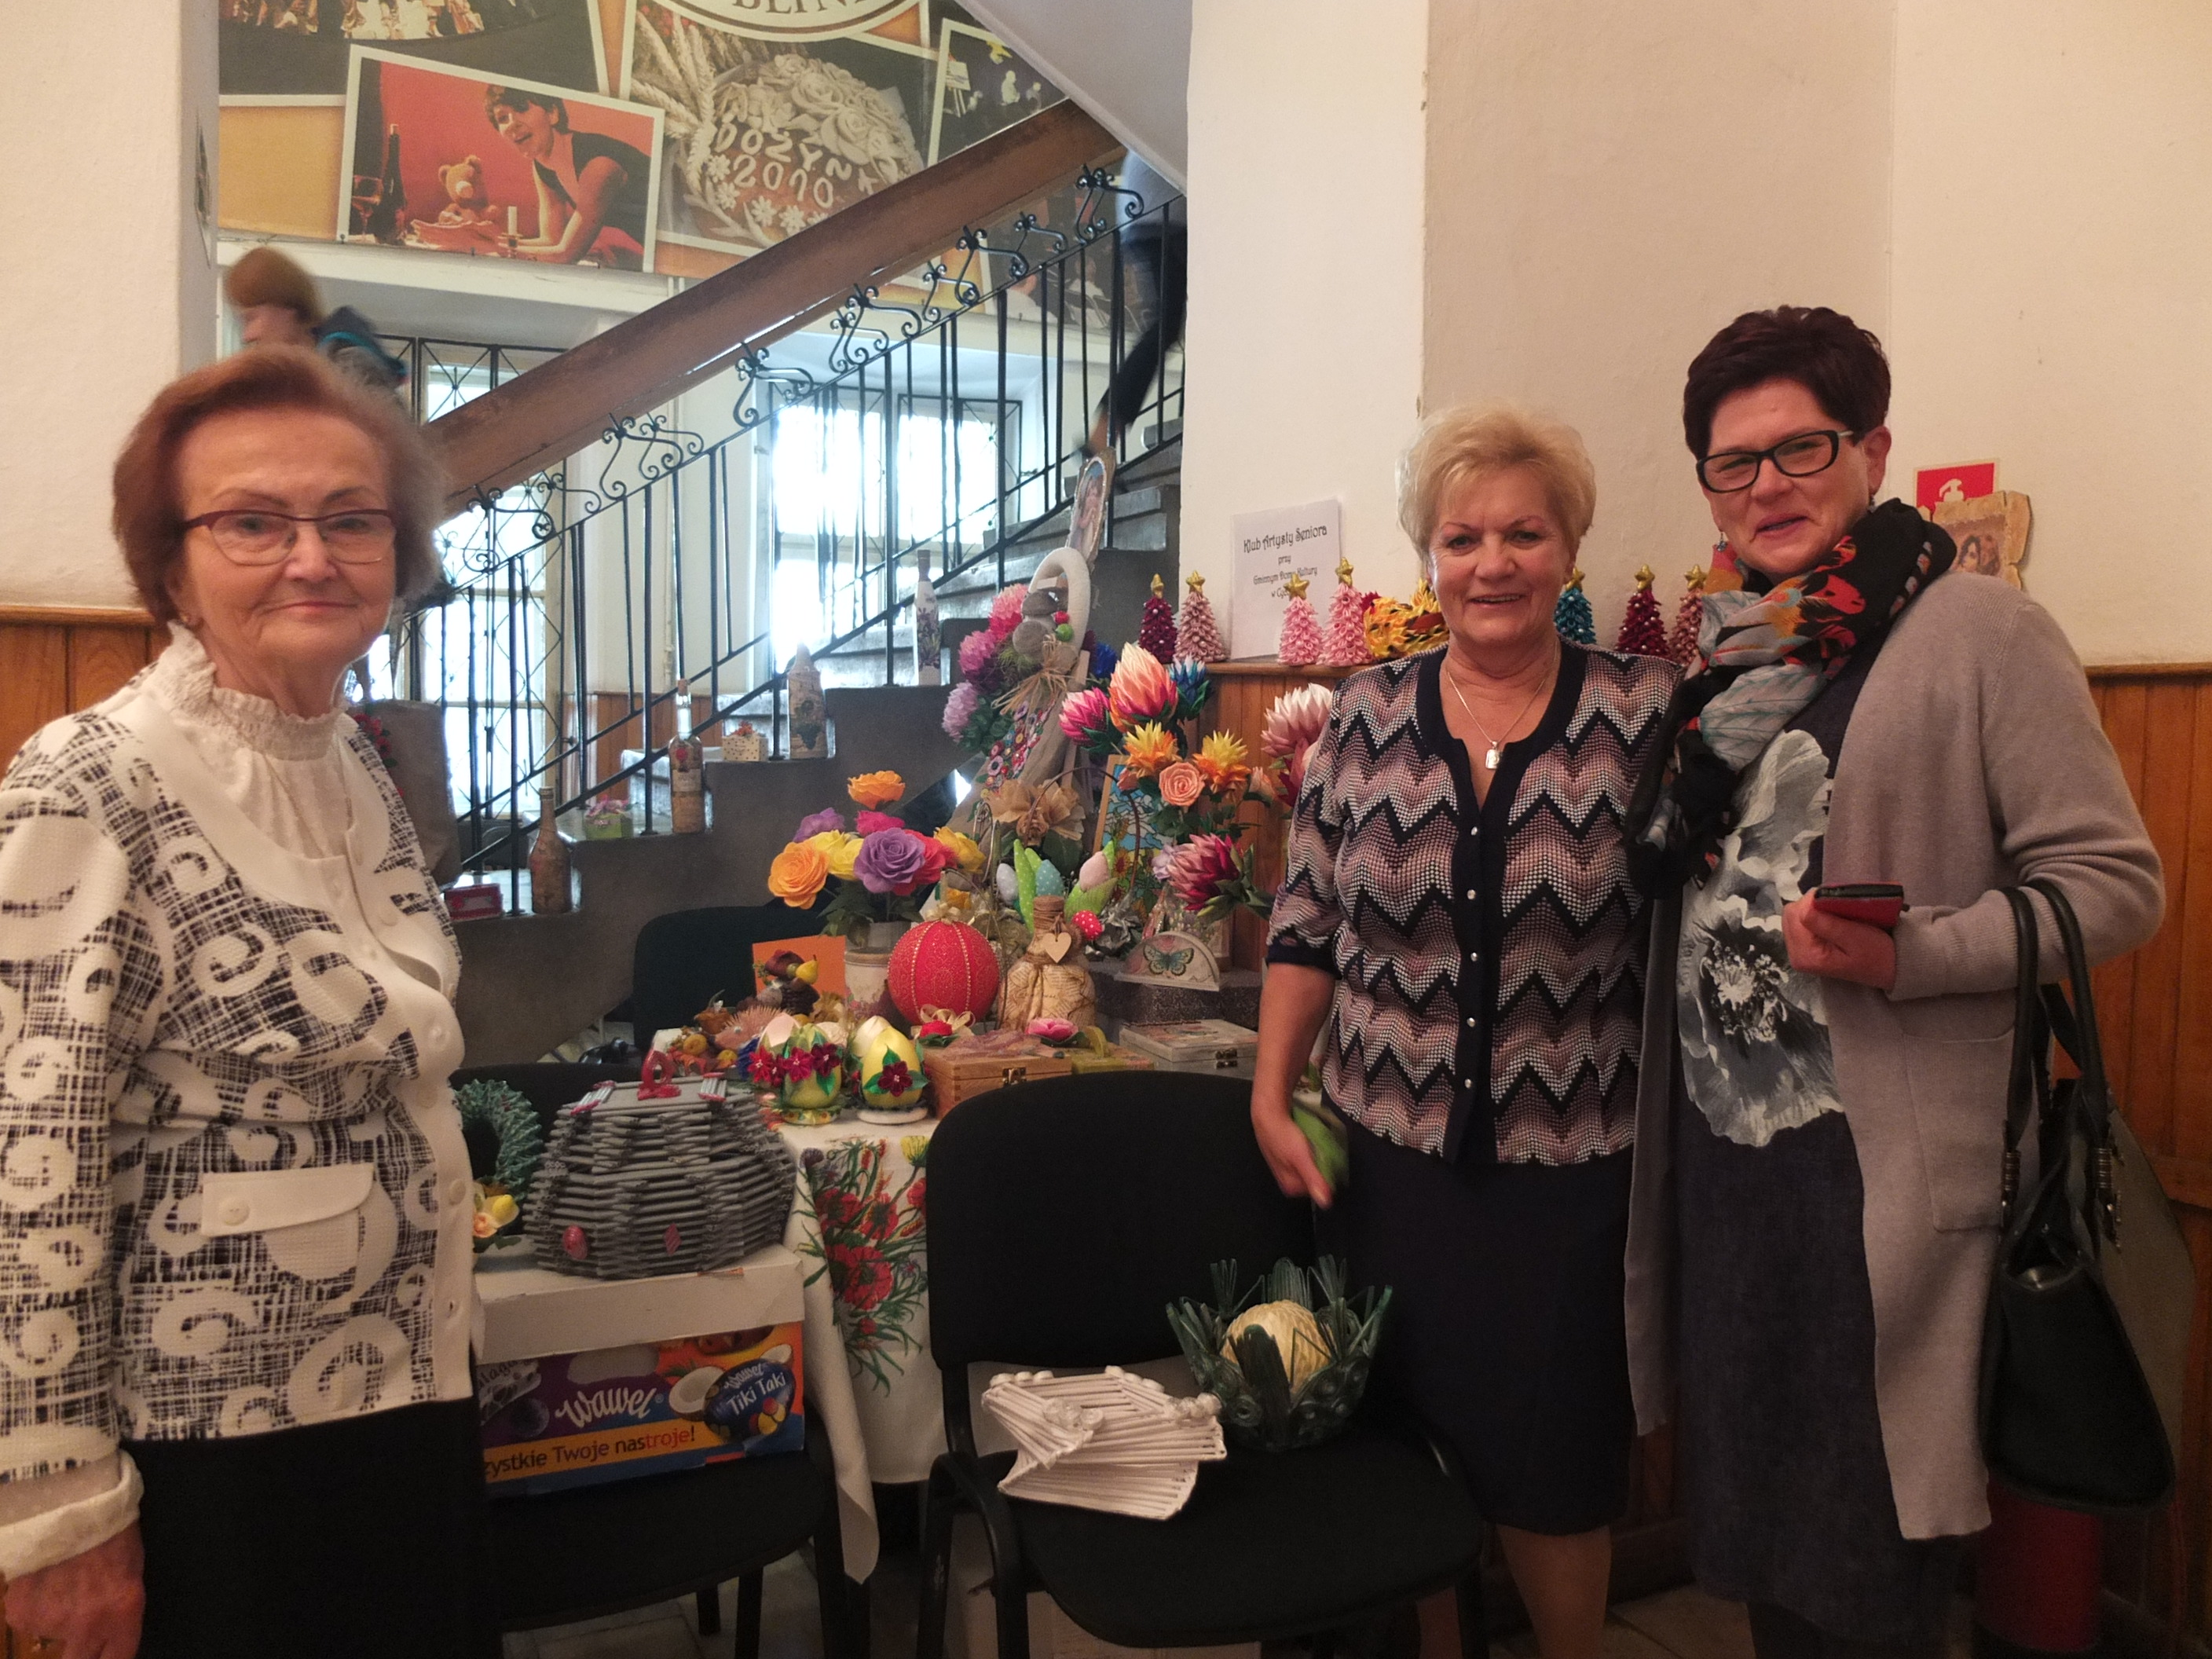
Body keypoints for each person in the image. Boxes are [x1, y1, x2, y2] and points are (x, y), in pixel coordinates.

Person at [1623, 306, 2165, 1657]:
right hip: (1732, 1176)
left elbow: (2113, 884)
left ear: (1871, 452)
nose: (1767, 485)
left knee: (1869, 1563)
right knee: (1760, 1540)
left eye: (1800, 448)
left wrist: (1912, 953)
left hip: (1875, 1192)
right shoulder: (1733, 657)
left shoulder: (1980, 631)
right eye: (1733, 462)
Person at [0, 348, 495, 1657]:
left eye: (351, 519)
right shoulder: (86, 781)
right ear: (170, 569)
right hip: (214, 1445)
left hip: (406, 1392)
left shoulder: (350, 758)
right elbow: (27, 1166)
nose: (311, 557)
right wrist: (55, 1513)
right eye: (253, 523)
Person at [1255, 406, 1680, 1659]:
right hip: (1385, 1170)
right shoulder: (1365, 716)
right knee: (1409, 1458)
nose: (1493, 563)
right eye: (1462, 538)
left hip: (1573, 1176)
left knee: (1555, 1474)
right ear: (1429, 557)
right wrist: (1271, 1095)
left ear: (1569, 550)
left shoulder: (1649, 714)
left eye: (1524, 535)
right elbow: (1305, 921)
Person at [485, 86, 650, 268]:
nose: (512, 124)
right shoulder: (542, 165)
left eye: (522, 108)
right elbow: (552, 240)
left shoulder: (598, 165)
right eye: (503, 118)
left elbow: (565, 255)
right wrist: (492, 238)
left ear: (552, 114)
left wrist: (488, 248)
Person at [223, 246, 409, 400]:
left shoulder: (349, 367)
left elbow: (386, 433)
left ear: (286, 305)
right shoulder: (291, 376)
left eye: (251, 318)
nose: (247, 336)